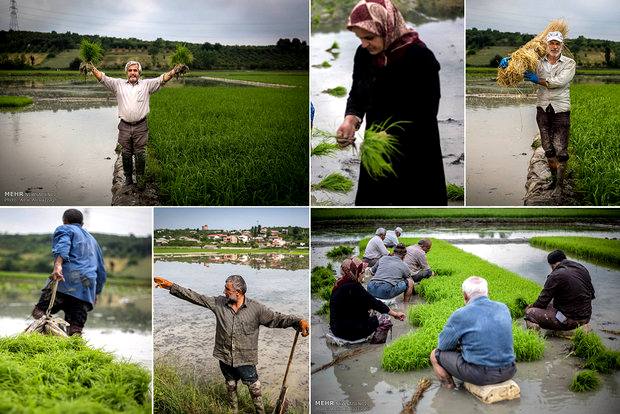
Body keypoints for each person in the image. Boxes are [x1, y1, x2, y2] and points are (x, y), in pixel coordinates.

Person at [336, 0, 447, 206]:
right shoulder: (364, 55)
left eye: (369, 37)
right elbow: (358, 94)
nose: (364, 44)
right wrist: (350, 120)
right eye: (359, 38)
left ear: (387, 27)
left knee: (415, 201)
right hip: (376, 151)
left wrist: (390, 134)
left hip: (416, 151)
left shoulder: (420, 57)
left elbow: (427, 111)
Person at [154, 274, 309, 414]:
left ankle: (260, 412)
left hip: (245, 358)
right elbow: (195, 297)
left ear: (238, 291)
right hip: (225, 356)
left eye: (227, 289)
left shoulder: (256, 309)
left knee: (255, 388)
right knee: (230, 385)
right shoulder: (218, 303)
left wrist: (298, 321)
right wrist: (170, 286)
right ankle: (233, 410)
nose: (224, 292)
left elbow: (276, 319)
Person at [85, 60, 187, 189]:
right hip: (124, 125)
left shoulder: (147, 84)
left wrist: (174, 71)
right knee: (126, 153)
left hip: (140, 125)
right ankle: (128, 178)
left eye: (135, 70)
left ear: (139, 72)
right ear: (127, 72)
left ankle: (140, 178)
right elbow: (103, 78)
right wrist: (92, 68)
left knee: (140, 153)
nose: (133, 73)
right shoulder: (118, 84)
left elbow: (162, 79)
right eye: (130, 70)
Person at [499, 31, 575, 198]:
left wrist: (537, 80)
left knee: (561, 150)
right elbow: (517, 70)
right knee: (548, 149)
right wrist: (507, 63)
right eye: (551, 43)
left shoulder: (569, 63)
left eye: (557, 44)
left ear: (562, 45)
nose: (554, 47)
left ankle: (560, 186)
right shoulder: (538, 62)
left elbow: (558, 82)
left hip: (561, 110)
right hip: (542, 109)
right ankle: (553, 180)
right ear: (546, 46)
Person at [430, 276, 516, 388]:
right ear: (487, 292)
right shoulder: (503, 307)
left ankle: (449, 389)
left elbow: (443, 346)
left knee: (435, 355)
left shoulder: (461, 314)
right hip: (510, 370)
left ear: (465, 295)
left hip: (482, 375)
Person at [31, 209, 106, 336]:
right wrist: (96, 292)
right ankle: (70, 347)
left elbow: (63, 245)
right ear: (82, 223)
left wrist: (58, 265)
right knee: (75, 329)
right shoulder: (94, 242)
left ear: (65, 221)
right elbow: (101, 271)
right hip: (86, 288)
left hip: (64, 281)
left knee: (40, 312)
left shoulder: (65, 229)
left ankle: (51, 334)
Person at [330, 257, 405, 341]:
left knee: (370, 310)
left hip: (335, 328)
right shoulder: (355, 287)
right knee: (385, 319)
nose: (363, 275)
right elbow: (375, 303)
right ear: (356, 272)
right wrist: (395, 314)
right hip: (348, 332)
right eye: (362, 272)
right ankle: (375, 347)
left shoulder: (339, 283)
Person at [524, 250, 595, 331]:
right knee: (550, 305)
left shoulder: (556, 274)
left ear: (552, 265)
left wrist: (530, 307)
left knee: (530, 313)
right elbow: (591, 295)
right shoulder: (582, 268)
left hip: (571, 320)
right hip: (586, 317)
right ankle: (580, 326)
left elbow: (542, 302)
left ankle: (537, 338)